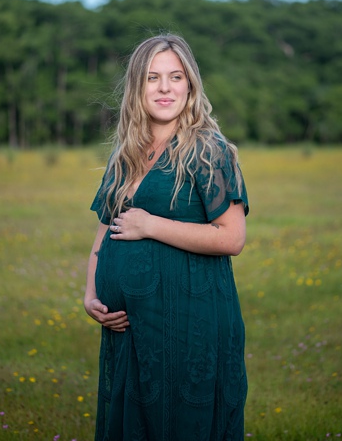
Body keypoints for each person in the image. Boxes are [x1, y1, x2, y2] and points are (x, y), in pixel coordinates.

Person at [83, 34, 249, 439]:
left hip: (189, 320)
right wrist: (91, 294)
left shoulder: (208, 150)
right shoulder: (125, 152)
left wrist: (151, 226)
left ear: (190, 85)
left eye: (175, 77)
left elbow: (232, 238)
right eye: (152, 78)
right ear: (137, 87)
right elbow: (104, 231)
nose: (164, 88)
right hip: (130, 327)